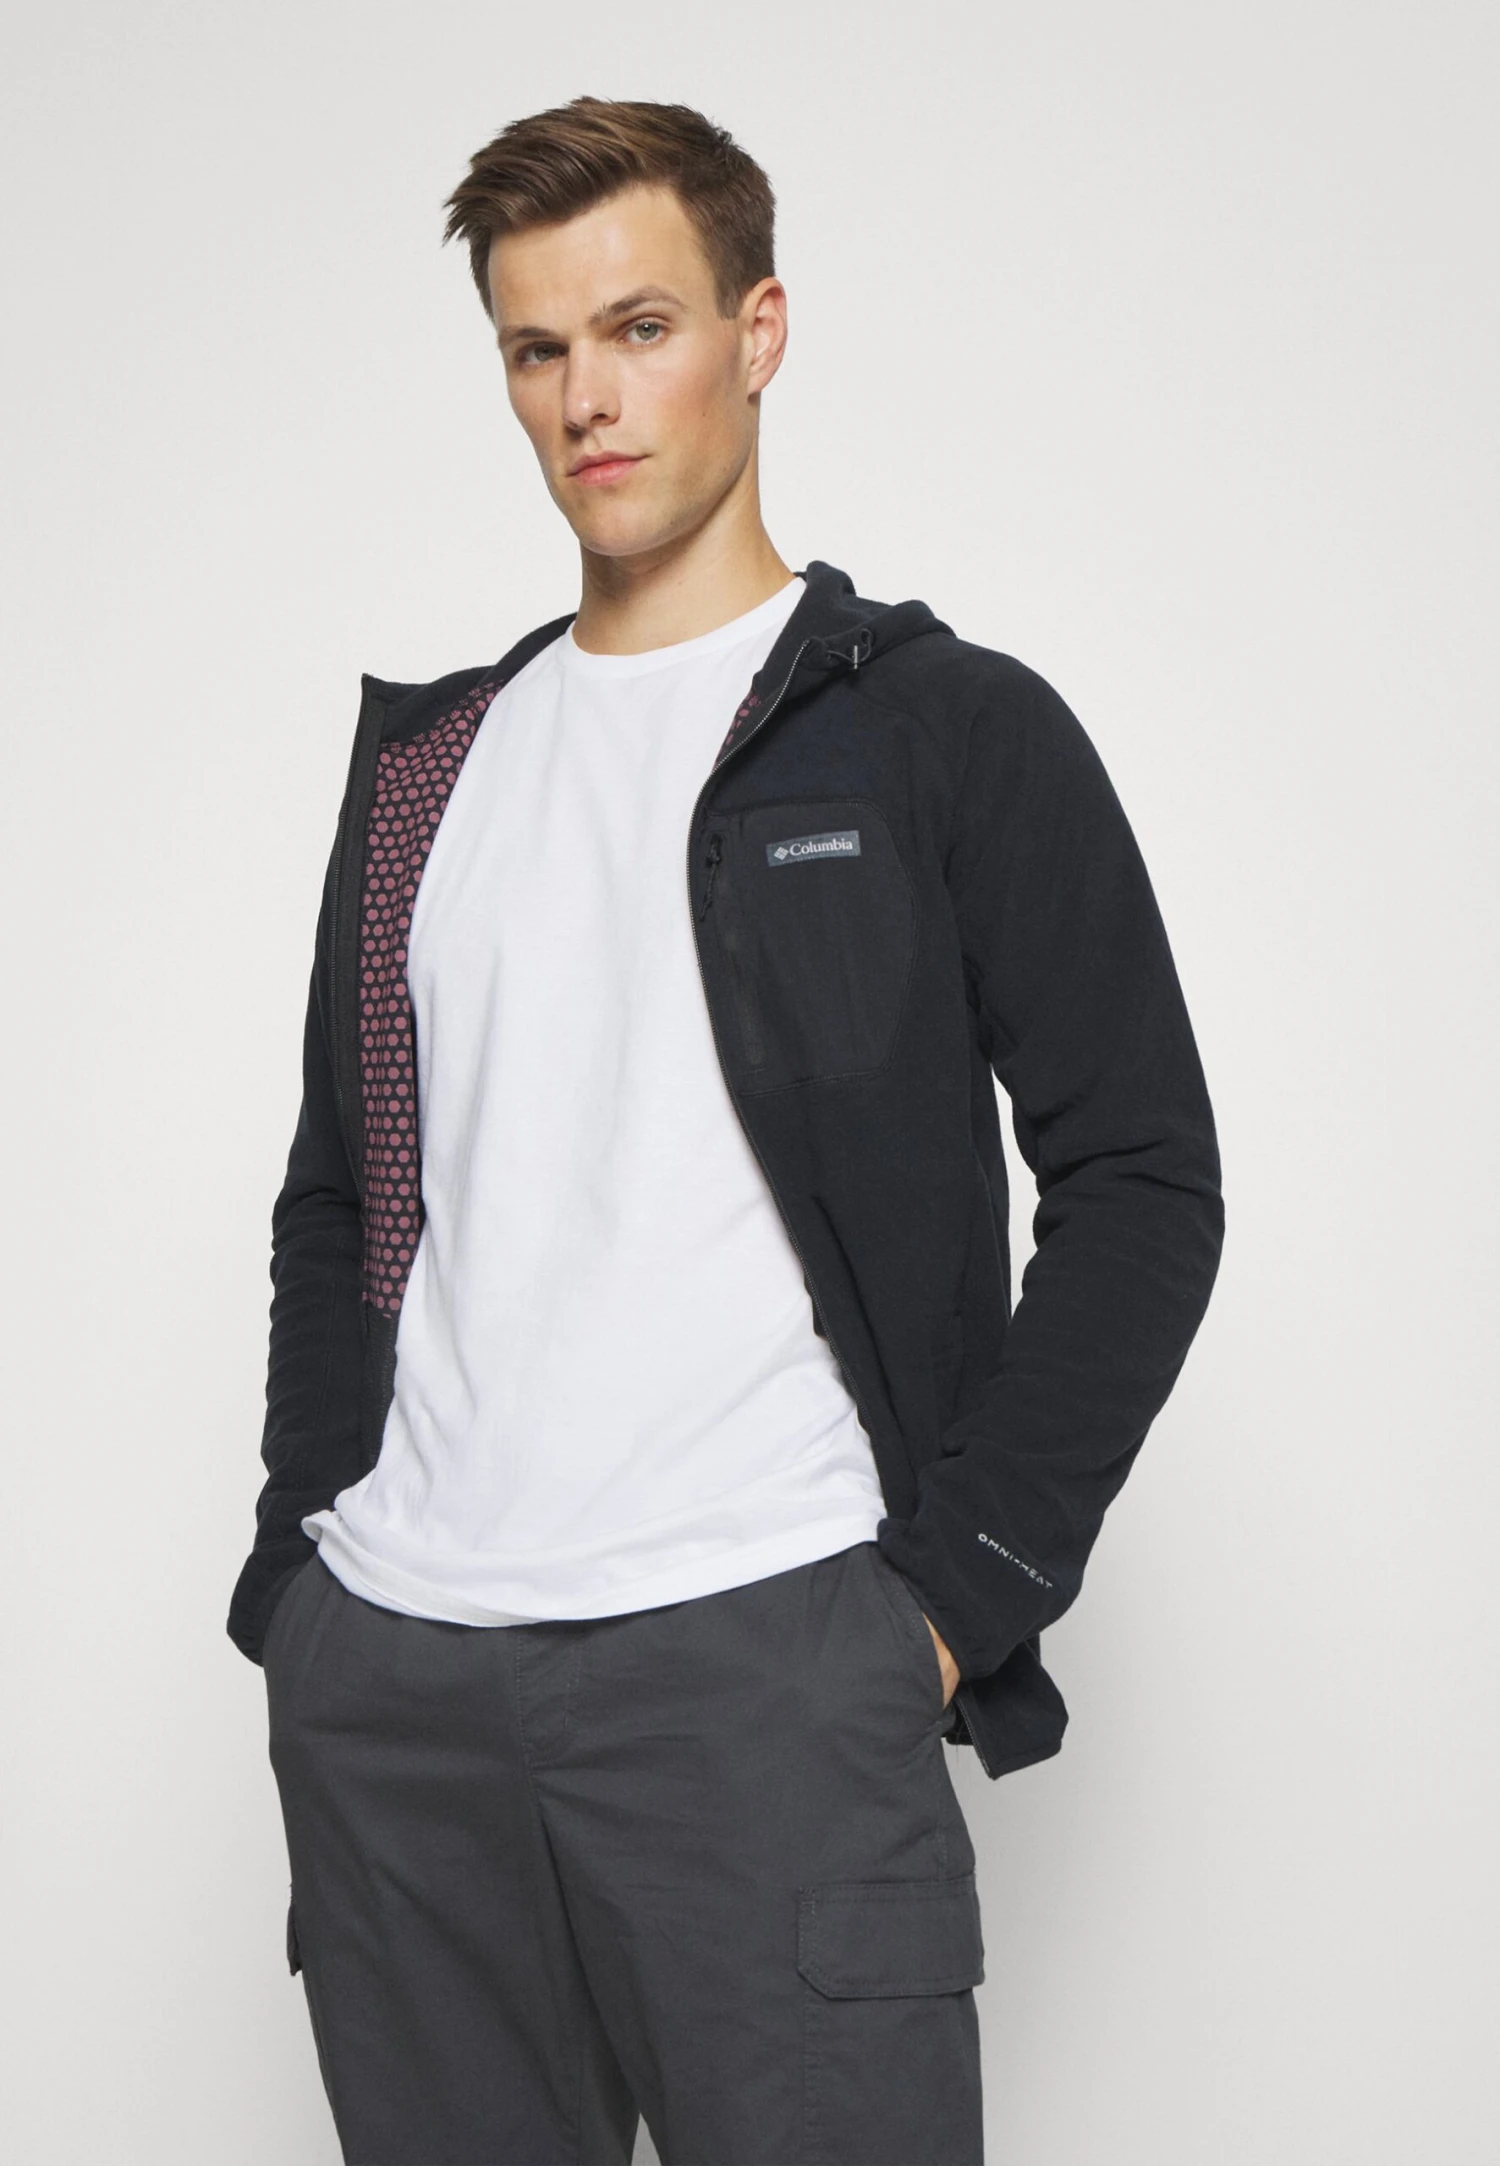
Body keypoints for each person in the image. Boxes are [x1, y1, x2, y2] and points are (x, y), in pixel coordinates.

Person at [227, 94, 1225, 2166]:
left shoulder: (942, 728)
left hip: (767, 1669)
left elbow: (1142, 1176)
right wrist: (303, 1565)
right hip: (401, 1699)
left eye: (640, 327)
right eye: (535, 349)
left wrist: (946, 1603)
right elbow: (344, 1191)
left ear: (759, 332)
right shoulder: (429, 774)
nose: (587, 399)